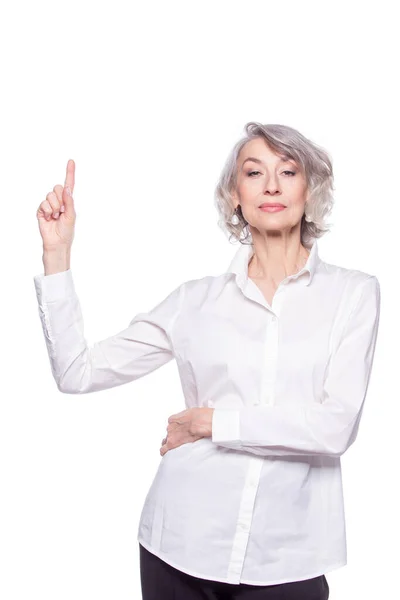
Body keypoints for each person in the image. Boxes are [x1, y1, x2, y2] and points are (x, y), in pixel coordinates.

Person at [33, 122, 381, 600]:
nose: (272, 185)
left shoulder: (353, 294)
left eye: (289, 170)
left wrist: (210, 423)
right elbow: (78, 372)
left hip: (287, 559)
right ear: (234, 195)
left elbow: (334, 427)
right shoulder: (194, 302)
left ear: (311, 189)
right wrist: (58, 253)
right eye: (254, 172)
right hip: (177, 543)